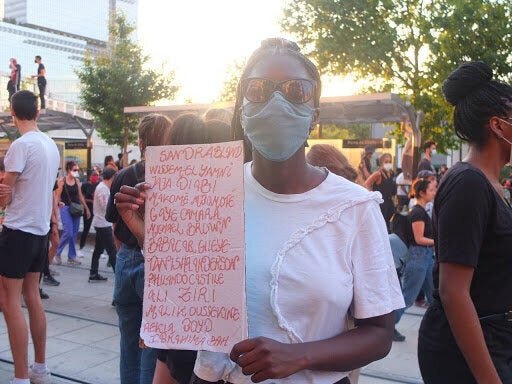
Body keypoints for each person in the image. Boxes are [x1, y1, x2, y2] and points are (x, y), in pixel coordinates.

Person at [116, 37, 404, 384]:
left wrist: (300, 355)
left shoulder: (355, 207)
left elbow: (379, 334)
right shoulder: (212, 189)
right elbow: (194, 295)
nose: (276, 101)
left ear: (315, 115)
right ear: (242, 109)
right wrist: (153, 237)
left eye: (296, 90)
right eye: (259, 89)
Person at [418, 61, 512, 383]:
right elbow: (454, 293)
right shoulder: (468, 183)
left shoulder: (491, 184)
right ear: (498, 126)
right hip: (466, 354)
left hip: (495, 339)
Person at [106, 113, 173, 384]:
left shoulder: (122, 175)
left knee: (128, 340)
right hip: (155, 266)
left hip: (126, 260)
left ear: (141, 142)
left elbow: (114, 227)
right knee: (152, 345)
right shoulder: (172, 176)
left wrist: (126, 254)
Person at [0, 90, 60, 384]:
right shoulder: (50, 145)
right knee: (32, 296)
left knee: (9, 301)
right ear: (37, 113)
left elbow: (3, 196)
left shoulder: (20, 146)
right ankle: (40, 368)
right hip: (39, 232)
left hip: (18, 231)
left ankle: (21, 377)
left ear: (13, 114)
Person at [393, 178, 436, 342]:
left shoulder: (421, 211)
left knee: (434, 297)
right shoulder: (417, 212)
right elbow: (419, 239)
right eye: (431, 190)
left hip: (425, 257)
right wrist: (438, 241)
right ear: (422, 193)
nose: (434, 192)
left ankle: (438, 329)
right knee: (408, 297)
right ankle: (389, 327)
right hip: (419, 256)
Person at [54, 161, 90, 266]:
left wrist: (86, 208)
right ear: (69, 170)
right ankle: (57, 252)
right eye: (74, 170)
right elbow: (57, 197)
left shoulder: (77, 181)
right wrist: (55, 212)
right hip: (65, 208)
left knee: (74, 234)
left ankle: (71, 256)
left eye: (77, 170)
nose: (76, 172)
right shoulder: (62, 181)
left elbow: (80, 196)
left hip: (77, 208)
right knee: (68, 232)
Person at [88, 167, 117, 282]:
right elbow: (106, 206)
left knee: (98, 249)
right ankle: (119, 274)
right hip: (103, 223)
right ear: (112, 177)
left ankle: (93, 273)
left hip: (101, 222)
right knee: (112, 250)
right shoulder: (103, 189)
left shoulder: (103, 187)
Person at [364, 153, 397, 231]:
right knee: (382, 225)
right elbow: (366, 184)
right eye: (386, 162)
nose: (388, 164)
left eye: (390, 162)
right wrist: (372, 195)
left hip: (389, 202)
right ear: (381, 163)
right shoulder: (378, 174)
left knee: (390, 224)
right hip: (381, 203)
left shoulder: (391, 173)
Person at [78, 169, 100, 255]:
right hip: (88, 209)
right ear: (90, 176)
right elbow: (82, 198)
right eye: (94, 175)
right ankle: (81, 247)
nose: (96, 177)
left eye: (97, 175)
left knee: (99, 230)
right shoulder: (85, 185)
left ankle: (98, 250)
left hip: (97, 211)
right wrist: (91, 201)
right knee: (86, 229)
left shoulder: (100, 185)